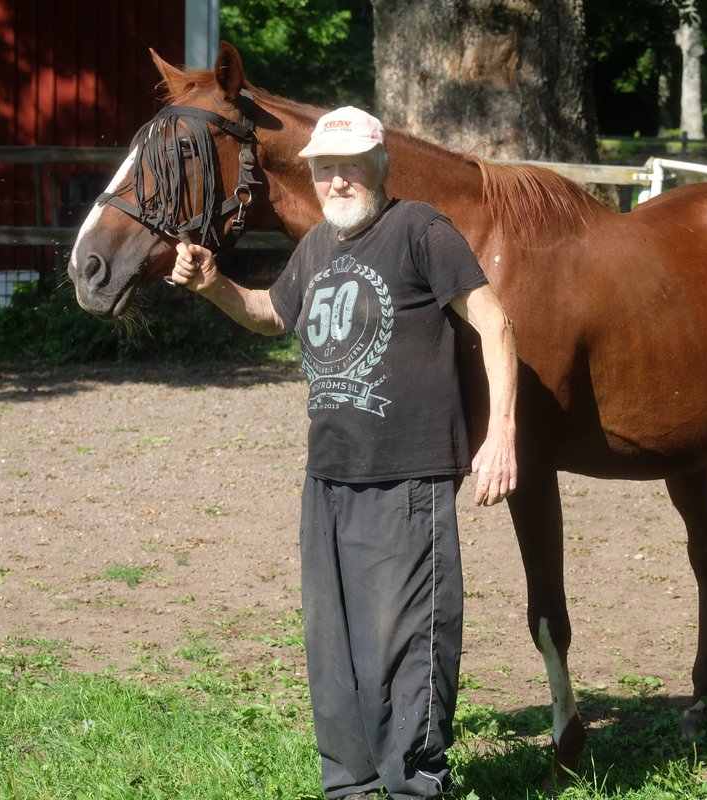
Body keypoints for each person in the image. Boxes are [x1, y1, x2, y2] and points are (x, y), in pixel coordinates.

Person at [170, 106, 518, 800]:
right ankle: (351, 789)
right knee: (334, 655)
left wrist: (501, 434)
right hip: (326, 480)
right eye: (324, 167)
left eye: (350, 164)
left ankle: (415, 787)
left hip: (407, 477)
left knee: (406, 643)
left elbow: (494, 321)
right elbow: (272, 314)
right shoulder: (320, 248)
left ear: (380, 166)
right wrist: (215, 286)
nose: (336, 179)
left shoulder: (420, 229)